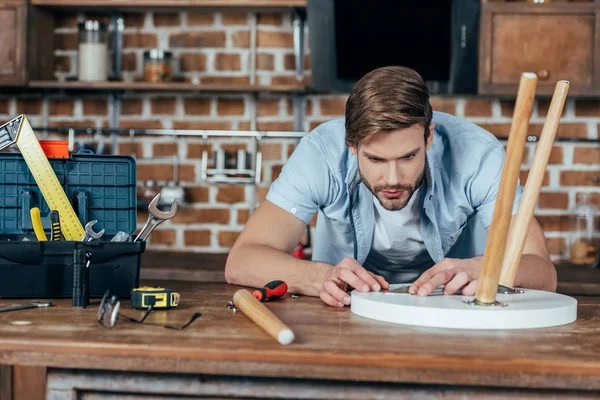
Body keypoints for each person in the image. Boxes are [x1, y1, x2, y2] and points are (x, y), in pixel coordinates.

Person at [225, 66, 557, 308]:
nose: (394, 178)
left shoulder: (478, 154)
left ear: (428, 136)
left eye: (408, 156)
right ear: (352, 146)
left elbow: (542, 269)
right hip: (343, 313)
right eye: (376, 160)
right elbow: (242, 259)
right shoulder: (320, 153)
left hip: (454, 311)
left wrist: (484, 268)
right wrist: (318, 276)